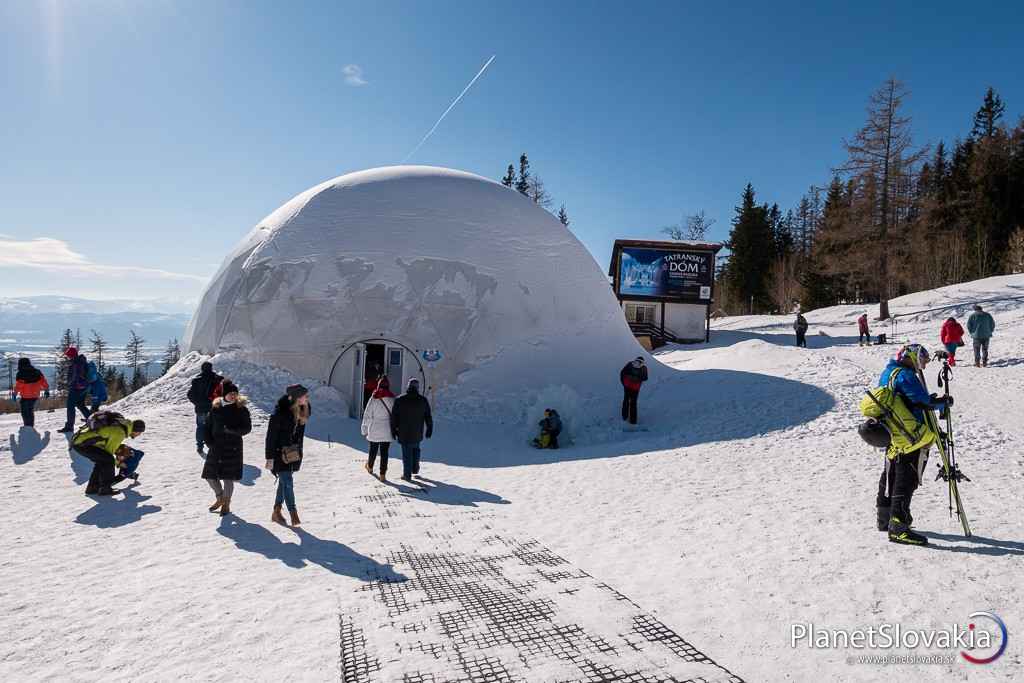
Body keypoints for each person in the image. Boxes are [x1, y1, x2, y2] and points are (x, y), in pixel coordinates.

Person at [874, 344, 951, 546]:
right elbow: (921, 401)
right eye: (922, 360)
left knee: (890, 472)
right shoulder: (906, 375)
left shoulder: (889, 372)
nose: (924, 366)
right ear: (912, 357)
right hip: (910, 434)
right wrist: (943, 403)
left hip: (893, 431)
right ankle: (898, 526)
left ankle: (885, 518)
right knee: (907, 477)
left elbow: (909, 399)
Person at [202, 380, 252, 516]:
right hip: (216, 446)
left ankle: (226, 504)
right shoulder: (215, 408)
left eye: (235, 394)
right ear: (224, 394)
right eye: (230, 394)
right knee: (210, 476)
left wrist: (233, 431)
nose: (233, 396)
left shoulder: (241, 408)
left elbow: (247, 428)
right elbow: (206, 427)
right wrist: (209, 442)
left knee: (227, 478)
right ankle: (220, 498)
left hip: (233, 447)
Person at [265, 384, 311, 526]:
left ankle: (276, 511)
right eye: (304, 396)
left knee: (284, 482)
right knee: (288, 482)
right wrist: (270, 458)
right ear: (296, 398)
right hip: (279, 454)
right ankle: (293, 514)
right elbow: (271, 437)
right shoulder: (279, 413)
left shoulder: (302, 410)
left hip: (293, 454)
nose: (307, 398)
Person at [70, 412, 146, 495]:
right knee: (108, 460)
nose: (139, 435)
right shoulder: (120, 432)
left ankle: (92, 488)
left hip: (79, 441)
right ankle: (105, 489)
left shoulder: (121, 425)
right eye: (140, 433)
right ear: (136, 430)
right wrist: (119, 463)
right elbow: (109, 452)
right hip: (82, 444)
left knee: (102, 461)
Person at [390, 378, 433, 482]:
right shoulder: (423, 400)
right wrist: (429, 429)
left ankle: (407, 475)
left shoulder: (400, 400)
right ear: (417, 388)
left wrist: (393, 430)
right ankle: (415, 468)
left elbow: (394, 417)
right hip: (417, 432)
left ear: (408, 387)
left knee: (406, 454)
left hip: (403, 432)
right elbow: (428, 416)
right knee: (416, 449)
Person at [361, 376, 395, 480]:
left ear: (379, 385)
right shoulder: (392, 398)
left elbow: (367, 414)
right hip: (387, 429)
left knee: (373, 450)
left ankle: (370, 467)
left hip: (375, 428)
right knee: (384, 453)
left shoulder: (374, 398)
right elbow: (395, 415)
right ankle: (382, 474)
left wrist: (364, 428)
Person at [187, 361, 223, 455]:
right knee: (214, 427)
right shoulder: (217, 379)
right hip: (213, 408)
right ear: (211, 368)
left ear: (202, 368)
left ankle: (200, 446)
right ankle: (213, 446)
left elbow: (190, 394)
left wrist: (197, 403)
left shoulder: (197, 380)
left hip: (200, 409)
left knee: (201, 427)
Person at [58, 347, 91, 433]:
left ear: (71, 355)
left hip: (76, 388)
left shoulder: (76, 363)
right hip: (84, 387)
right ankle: (92, 421)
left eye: (68, 355)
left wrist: (69, 383)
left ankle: (69, 427)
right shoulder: (82, 361)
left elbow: (74, 376)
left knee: (70, 407)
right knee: (81, 405)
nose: (68, 357)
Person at [14, 358, 49, 428]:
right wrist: (46, 391)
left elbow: (18, 386)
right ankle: (30, 426)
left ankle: (27, 426)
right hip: (35, 395)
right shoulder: (37, 372)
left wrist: (14, 394)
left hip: (25, 397)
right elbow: (44, 382)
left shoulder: (21, 373)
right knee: (30, 411)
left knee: (24, 412)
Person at [619, 357, 648, 425]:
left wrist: (624, 383)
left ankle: (624, 416)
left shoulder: (630, 364)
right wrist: (638, 379)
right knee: (633, 403)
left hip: (627, 386)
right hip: (635, 388)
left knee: (626, 400)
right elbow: (645, 378)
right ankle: (633, 421)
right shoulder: (644, 367)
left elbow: (622, 373)